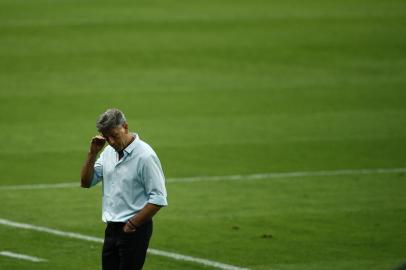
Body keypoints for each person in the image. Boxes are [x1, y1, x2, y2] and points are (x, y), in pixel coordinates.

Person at [80, 108, 168, 270]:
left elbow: (158, 198)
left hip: (134, 229)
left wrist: (132, 225)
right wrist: (92, 154)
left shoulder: (145, 156)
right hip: (111, 228)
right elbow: (86, 182)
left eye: (114, 135)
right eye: (107, 137)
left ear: (125, 127)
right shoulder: (107, 152)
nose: (111, 141)